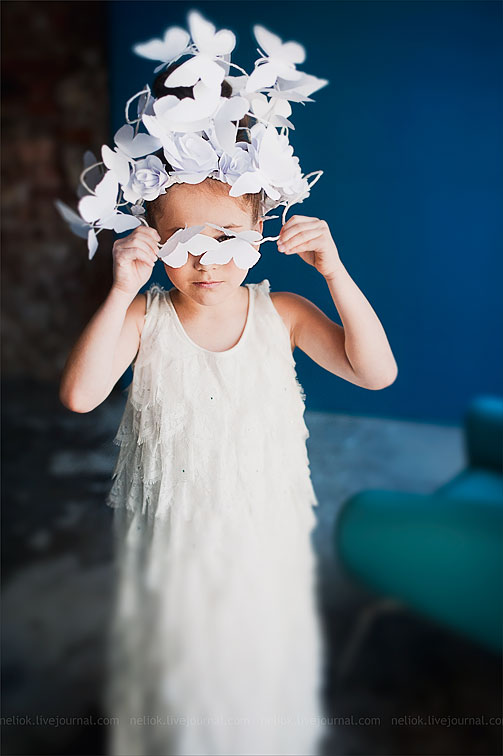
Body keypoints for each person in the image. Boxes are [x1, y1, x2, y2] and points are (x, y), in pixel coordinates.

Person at [57, 11, 398, 756]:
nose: (206, 262)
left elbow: (376, 375)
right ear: (153, 240)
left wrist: (335, 274)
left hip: (262, 534)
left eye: (227, 240)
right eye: (183, 243)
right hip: (173, 544)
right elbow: (80, 396)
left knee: (253, 664)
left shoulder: (285, 314)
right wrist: (120, 290)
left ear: (262, 234)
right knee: (183, 668)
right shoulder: (145, 319)